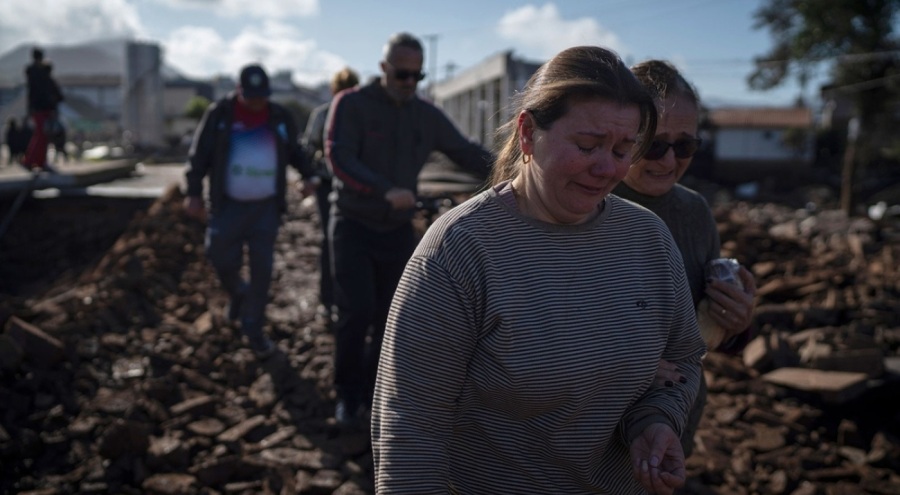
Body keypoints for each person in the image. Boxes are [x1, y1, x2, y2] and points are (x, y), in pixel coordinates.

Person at [371, 45, 706, 494]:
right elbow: (411, 426)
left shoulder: (647, 239)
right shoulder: (461, 250)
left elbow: (684, 355)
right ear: (528, 134)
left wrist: (656, 419)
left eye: (625, 149)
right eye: (587, 145)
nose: (607, 167)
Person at [325, 31, 493, 424]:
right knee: (356, 311)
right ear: (384, 68)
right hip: (353, 224)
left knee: (392, 316)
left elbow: (466, 152)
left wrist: (519, 173)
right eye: (402, 75)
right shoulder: (351, 105)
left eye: (417, 77)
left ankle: (376, 390)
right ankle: (347, 394)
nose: (409, 84)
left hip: (397, 231)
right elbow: (339, 157)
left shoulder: (425, 114)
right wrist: (384, 190)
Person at [613, 59, 758, 460]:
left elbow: (701, 336)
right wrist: (632, 364)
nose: (668, 160)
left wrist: (736, 324)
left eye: (685, 145)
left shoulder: (695, 212)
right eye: (654, 145)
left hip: (676, 418)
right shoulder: (585, 203)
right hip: (592, 427)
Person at [183, 63, 317, 359]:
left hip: (265, 208)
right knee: (218, 253)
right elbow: (199, 155)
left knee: (262, 268)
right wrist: (193, 192)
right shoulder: (220, 115)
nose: (258, 102)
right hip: (227, 204)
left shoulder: (279, 116)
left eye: (262, 95)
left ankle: (253, 327)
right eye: (252, 96)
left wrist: (308, 176)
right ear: (239, 90)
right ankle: (238, 293)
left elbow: (295, 151)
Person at [301, 67, 360, 323]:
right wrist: (311, 175)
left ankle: (346, 299)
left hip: (356, 186)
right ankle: (329, 299)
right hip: (329, 184)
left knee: (348, 240)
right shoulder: (324, 115)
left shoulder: (361, 116)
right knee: (331, 239)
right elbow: (308, 149)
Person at [22, 47, 64, 172]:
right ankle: (34, 161)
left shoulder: (32, 73)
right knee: (42, 136)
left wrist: (29, 109)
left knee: (41, 135)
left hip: (38, 108)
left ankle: (36, 161)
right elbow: (54, 94)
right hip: (44, 108)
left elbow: (31, 93)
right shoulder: (44, 74)